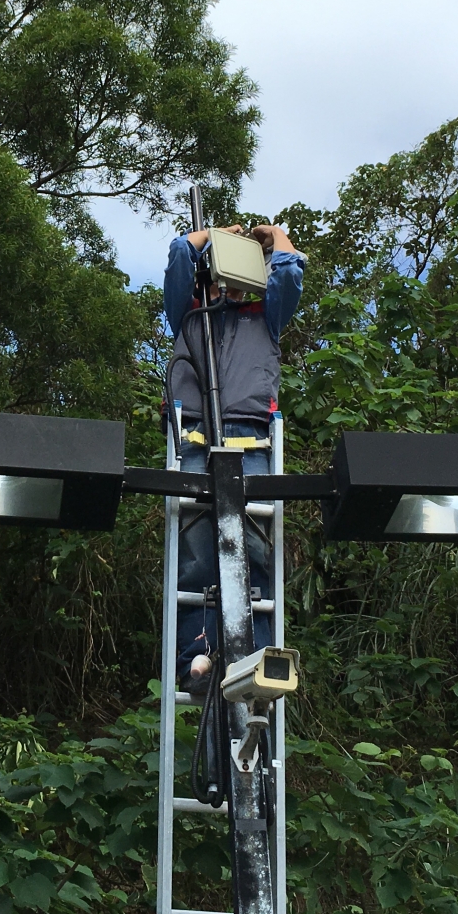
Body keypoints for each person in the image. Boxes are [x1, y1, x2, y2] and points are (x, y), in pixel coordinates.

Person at [164, 222, 305, 695]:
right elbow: (179, 258)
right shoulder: (191, 310)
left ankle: (257, 657)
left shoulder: (267, 313)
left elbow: (289, 273)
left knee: (256, 553)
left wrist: (275, 236)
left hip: (252, 439)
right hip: (195, 437)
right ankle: (196, 657)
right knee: (197, 556)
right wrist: (209, 236)